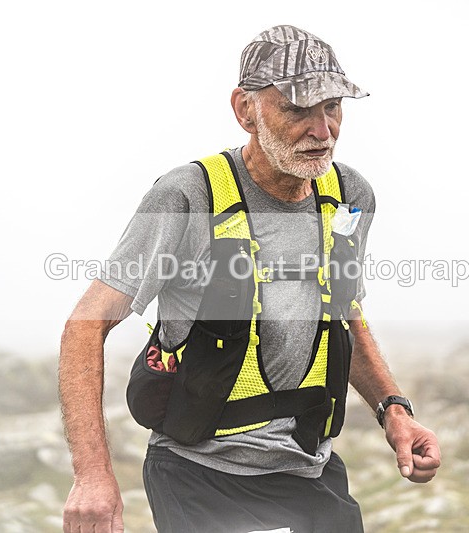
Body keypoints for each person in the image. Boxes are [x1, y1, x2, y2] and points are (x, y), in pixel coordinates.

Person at [59, 25, 441, 533]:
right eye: (298, 109)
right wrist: (92, 476)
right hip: (202, 475)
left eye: (332, 107)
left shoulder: (351, 197)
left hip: (311, 469)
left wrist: (393, 410)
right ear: (245, 110)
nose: (322, 130)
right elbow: (85, 325)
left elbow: (344, 315)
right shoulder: (187, 197)